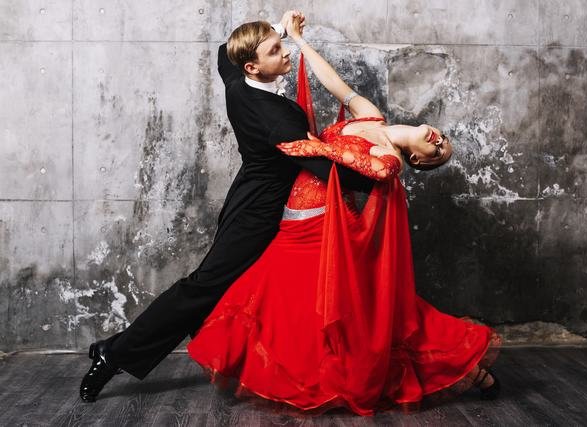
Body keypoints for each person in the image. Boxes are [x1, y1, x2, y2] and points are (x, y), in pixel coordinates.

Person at [186, 16, 501, 416]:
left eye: (437, 154)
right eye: (444, 139)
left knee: (345, 315)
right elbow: (334, 82)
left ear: (419, 160)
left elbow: (340, 160)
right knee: (291, 307)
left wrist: (306, 143)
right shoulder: (370, 115)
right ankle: (463, 372)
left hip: (323, 229)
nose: (439, 142)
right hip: (293, 220)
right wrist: (298, 40)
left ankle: (459, 367)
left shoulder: (390, 162)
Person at [79, 10, 380, 403]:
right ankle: (114, 354)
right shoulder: (276, 117)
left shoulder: (237, 83)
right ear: (253, 66)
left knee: (241, 292)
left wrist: (277, 27)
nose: (286, 53)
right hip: (259, 214)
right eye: (276, 51)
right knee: (203, 289)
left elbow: (225, 52)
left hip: (253, 201)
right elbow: (323, 168)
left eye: (281, 46)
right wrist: (379, 175)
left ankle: (257, 363)